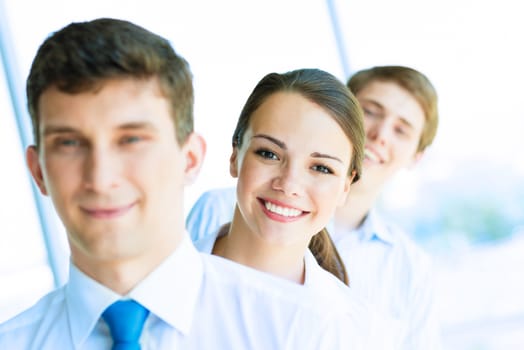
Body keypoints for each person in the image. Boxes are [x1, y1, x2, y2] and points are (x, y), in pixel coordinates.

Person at [0, 18, 368, 349]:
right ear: (38, 170)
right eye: (69, 143)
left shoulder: (306, 332)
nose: (101, 177)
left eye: (132, 140)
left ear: (190, 159)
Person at [186, 65, 442, 349]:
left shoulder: (360, 325)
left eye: (321, 167)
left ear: (346, 183)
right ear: (235, 156)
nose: (290, 184)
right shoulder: (167, 270)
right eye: (268, 153)